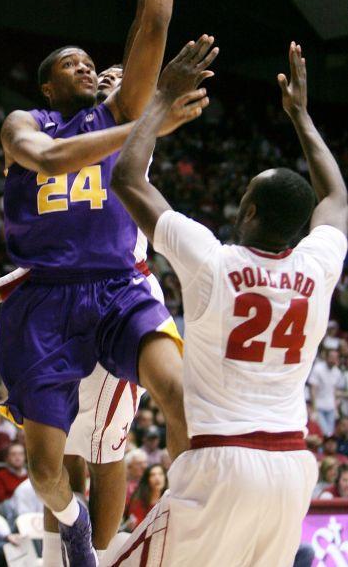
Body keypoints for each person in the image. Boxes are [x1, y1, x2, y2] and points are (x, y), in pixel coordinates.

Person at [0, 0, 202, 567]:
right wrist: (143, 124)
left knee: (179, 392)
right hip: (44, 300)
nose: (86, 64)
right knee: (49, 470)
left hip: (116, 285)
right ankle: (71, 526)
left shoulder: (118, 116)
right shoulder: (28, 122)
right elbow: (46, 160)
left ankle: (188, 533)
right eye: (70, 64)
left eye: (90, 60)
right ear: (48, 86)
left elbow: (150, 25)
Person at [106, 41, 347, 566]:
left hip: (221, 462)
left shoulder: (213, 262)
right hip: (290, 468)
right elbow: (336, 198)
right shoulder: (319, 263)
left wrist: (161, 97)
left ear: (250, 209)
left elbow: (126, 177)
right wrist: (303, 118)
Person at [125, 464, 167, 531]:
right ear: (147, 479)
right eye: (153, 475)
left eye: (160, 474)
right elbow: (139, 527)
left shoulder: (170, 500)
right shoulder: (137, 502)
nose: (157, 478)